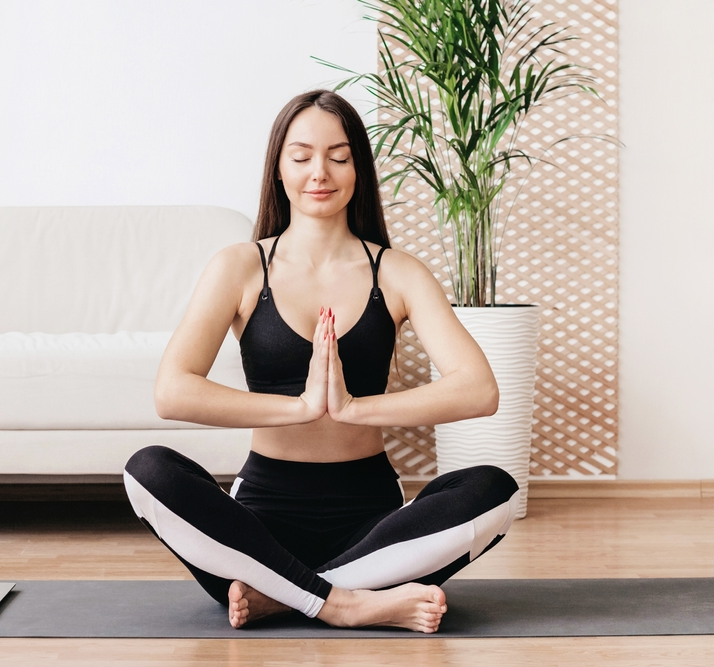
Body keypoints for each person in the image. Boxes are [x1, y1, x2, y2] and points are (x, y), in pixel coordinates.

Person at [122, 90, 519, 633]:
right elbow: (172, 392)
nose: (320, 173)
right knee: (147, 470)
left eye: (338, 157)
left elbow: (479, 389)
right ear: (278, 168)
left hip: (374, 528)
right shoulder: (239, 267)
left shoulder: (398, 272)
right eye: (302, 156)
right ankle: (347, 603)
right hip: (257, 528)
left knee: (494, 488)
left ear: (358, 169)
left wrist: (352, 408)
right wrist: (302, 408)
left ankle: (288, 596)